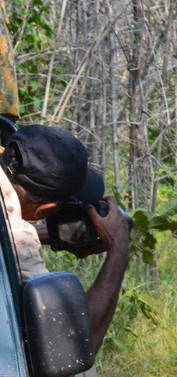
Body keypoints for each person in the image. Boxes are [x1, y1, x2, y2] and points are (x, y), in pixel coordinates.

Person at [0, 123, 130, 353]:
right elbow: (74, 345)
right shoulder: (21, 244)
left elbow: (7, 232)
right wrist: (118, 249)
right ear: (46, 209)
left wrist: (52, 235)